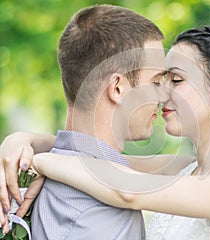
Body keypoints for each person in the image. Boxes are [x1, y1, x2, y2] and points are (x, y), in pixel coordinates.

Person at [0, 24, 210, 239]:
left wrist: (39, 162)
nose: (161, 93)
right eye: (160, 80)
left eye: (175, 79)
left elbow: (126, 190)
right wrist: (21, 141)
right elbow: (93, 156)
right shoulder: (185, 169)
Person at [0, 4, 173, 239]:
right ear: (118, 88)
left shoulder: (52, 166)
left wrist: (25, 139)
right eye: (155, 82)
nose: (164, 96)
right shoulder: (99, 213)